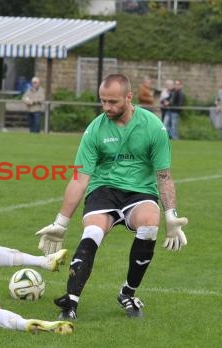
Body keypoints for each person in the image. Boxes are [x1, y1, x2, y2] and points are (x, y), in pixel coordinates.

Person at [35, 74, 188, 320]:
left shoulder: (153, 127)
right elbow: (79, 178)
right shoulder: (94, 129)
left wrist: (171, 215)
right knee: (93, 231)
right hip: (103, 190)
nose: (107, 107)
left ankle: (127, 293)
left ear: (129, 97)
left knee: (149, 223)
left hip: (140, 191)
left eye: (113, 102)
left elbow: (164, 176)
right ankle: (71, 302)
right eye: (103, 101)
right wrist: (61, 223)